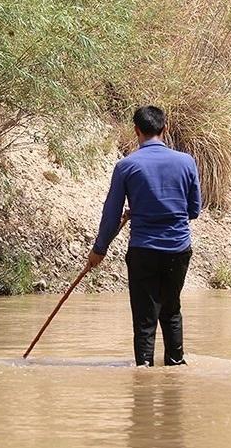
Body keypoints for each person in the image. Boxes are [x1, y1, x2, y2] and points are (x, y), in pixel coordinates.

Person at [87, 105, 201, 367]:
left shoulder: (126, 166)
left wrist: (99, 250)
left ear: (136, 130)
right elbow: (194, 210)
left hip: (144, 251)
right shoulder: (186, 162)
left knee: (144, 318)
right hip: (178, 250)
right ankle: (175, 366)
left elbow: (111, 213)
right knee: (171, 311)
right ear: (165, 129)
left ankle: (144, 374)